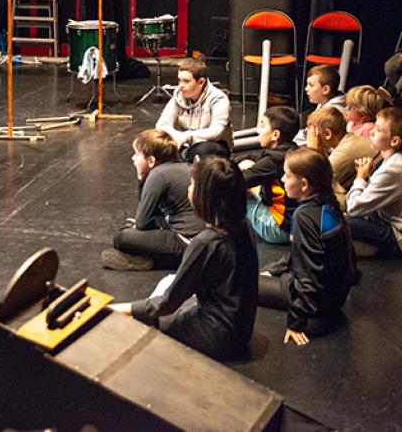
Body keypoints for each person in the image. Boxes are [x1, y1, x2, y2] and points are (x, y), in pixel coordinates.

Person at [109, 157, 259, 360]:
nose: (188, 189)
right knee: (168, 281)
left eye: (192, 185)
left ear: (204, 196)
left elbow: (166, 304)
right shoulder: (244, 225)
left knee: (151, 313)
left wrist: (117, 308)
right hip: (241, 331)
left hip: (218, 338)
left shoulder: (206, 243)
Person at [258, 147, 357, 345]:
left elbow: (307, 275)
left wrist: (296, 322)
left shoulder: (304, 217)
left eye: (287, 176)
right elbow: (306, 255)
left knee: (246, 282)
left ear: (304, 184)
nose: (283, 180)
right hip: (335, 298)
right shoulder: (327, 205)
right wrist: (274, 270)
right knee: (266, 272)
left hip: (317, 303)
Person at [101, 130, 203, 271]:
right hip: (200, 239)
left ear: (151, 161)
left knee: (121, 237)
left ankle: (150, 260)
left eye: (137, 154)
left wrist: (141, 179)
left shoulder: (158, 174)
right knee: (132, 224)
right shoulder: (183, 167)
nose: (133, 158)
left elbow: (143, 222)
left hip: (187, 243)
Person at [345, 107, 402, 258]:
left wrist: (360, 177)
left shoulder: (394, 168)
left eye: (378, 129)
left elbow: (354, 207)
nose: (372, 132)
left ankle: (365, 248)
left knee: (340, 221)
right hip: (391, 224)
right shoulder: (394, 160)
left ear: (394, 141)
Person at [239, 106, 299, 244]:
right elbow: (253, 156)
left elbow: (237, 180)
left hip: (278, 229)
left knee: (233, 191)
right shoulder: (291, 149)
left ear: (275, 135)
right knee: (247, 163)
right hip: (293, 224)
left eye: (262, 126)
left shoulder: (273, 161)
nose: (258, 131)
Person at [156, 57, 233, 161]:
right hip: (186, 143)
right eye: (179, 80)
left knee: (202, 150)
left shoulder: (218, 98)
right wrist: (175, 136)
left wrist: (186, 136)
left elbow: (216, 131)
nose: (181, 86)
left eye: (186, 81)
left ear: (201, 82)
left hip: (214, 144)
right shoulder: (179, 96)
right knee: (157, 145)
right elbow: (162, 124)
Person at [306, 105, 376, 206]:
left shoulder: (345, 152)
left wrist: (312, 150)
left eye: (312, 132)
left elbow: (314, 180)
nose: (309, 137)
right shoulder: (350, 139)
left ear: (327, 134)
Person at [295, 64, 345, 145]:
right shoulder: (323, 103)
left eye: (311, 85)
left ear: (325, 89)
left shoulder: (333, 112)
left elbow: (317, 140)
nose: (306, 89)